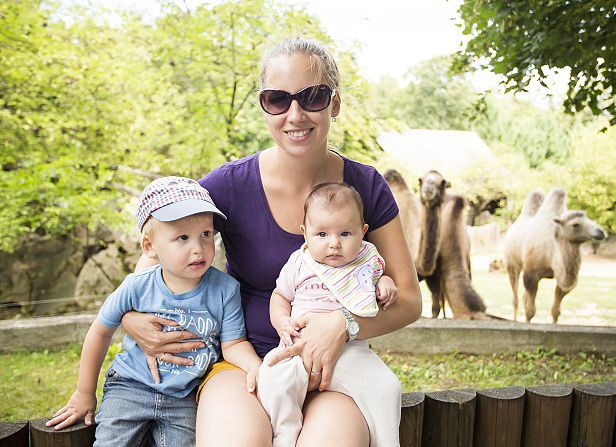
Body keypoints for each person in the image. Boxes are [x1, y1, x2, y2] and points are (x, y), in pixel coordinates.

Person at [122, 37, 422, 446]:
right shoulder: (228, 184)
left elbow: (409, 299)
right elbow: (155, 253)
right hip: (243, 365)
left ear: (335, 103)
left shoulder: (366, 187)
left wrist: (345, 324)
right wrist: (128, 317)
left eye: (312, 97)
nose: (295, 114)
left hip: (333, 369)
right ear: (264, 106)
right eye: (277, 99)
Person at [46, 177, 261, 446]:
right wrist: (84, 392)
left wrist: (256, 367)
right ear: (149, 246)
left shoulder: (225, 289)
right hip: (130, 385)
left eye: (205, 234)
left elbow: (234, 344)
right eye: (182, 237)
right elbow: (100, 332)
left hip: (185, 394)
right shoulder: (137, 286)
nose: (198, 247)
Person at [257, 181, 401, 447]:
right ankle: (285, 432)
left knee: (387, 387)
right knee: (270, 377)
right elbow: (280, 296)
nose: (334, 244)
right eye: (322, 234)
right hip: (297, 347)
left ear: (363, 232)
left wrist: (385, 283)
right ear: (305, 233)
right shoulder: (300, 262)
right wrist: (281, 321)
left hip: (350, 351)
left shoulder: (366, 260)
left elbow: (378, 278)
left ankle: (387, 441)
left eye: (345, 233)